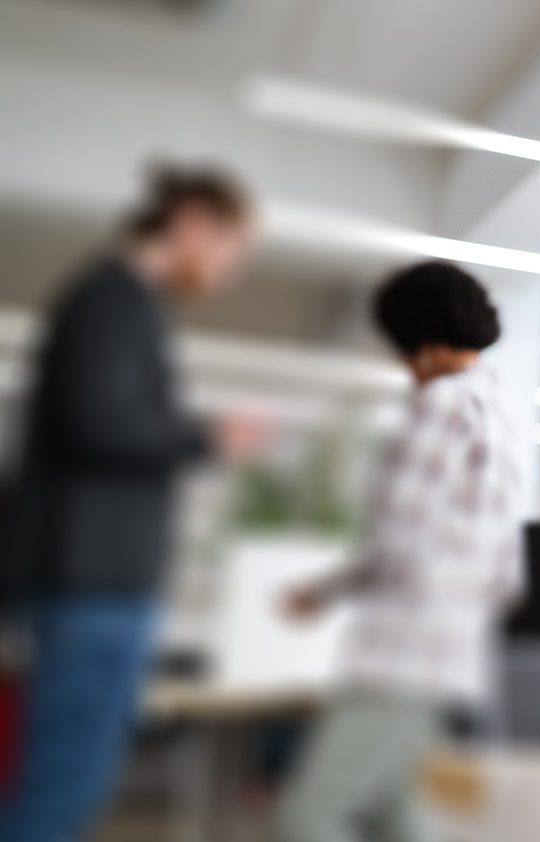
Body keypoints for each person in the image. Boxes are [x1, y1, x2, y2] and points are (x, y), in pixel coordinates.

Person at [0, 164, 261, 841]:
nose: (228, 272)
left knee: (71, 785)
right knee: (63, 788)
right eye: (231, 251)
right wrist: (206, 436)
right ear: (192, 223)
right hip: (93, 584)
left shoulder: (121, 302)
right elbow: (99, 423)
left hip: (98, 583)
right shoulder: (114, 299)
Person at [275, 261, 526, 842]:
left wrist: (324, 591)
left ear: (425, 345)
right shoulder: (499, 418)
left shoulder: (440, 405)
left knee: (306, 819)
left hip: (401, 653)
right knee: (404, 824)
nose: (403, 366)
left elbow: (397, 537)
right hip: (451, 654)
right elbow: (506, 572)